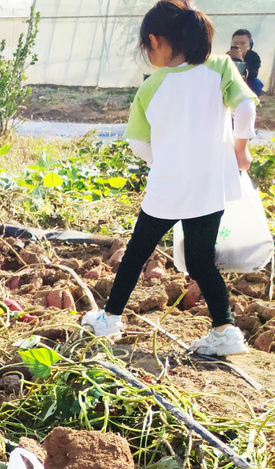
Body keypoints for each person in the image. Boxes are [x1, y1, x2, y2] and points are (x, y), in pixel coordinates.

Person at [83, 0, 257, 356]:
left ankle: (110, 319)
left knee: (137, 253)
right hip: (210, 187)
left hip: (168, 186)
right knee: (200, 260)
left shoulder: (151, 87)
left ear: (155, 41)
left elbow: (137, 140)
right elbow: (245, 105)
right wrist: (241, 148)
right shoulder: (220, 67)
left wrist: (162, 162)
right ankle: (225, 330)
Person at [230, 29, 263, 97]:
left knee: (257, 83)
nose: (238, 46)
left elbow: (252, 75)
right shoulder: (228, 56)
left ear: (249, 45)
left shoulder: (254, 57)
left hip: (247, 82)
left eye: (242, 43)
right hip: (231, 81)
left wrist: (241, 62)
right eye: (235, 43)